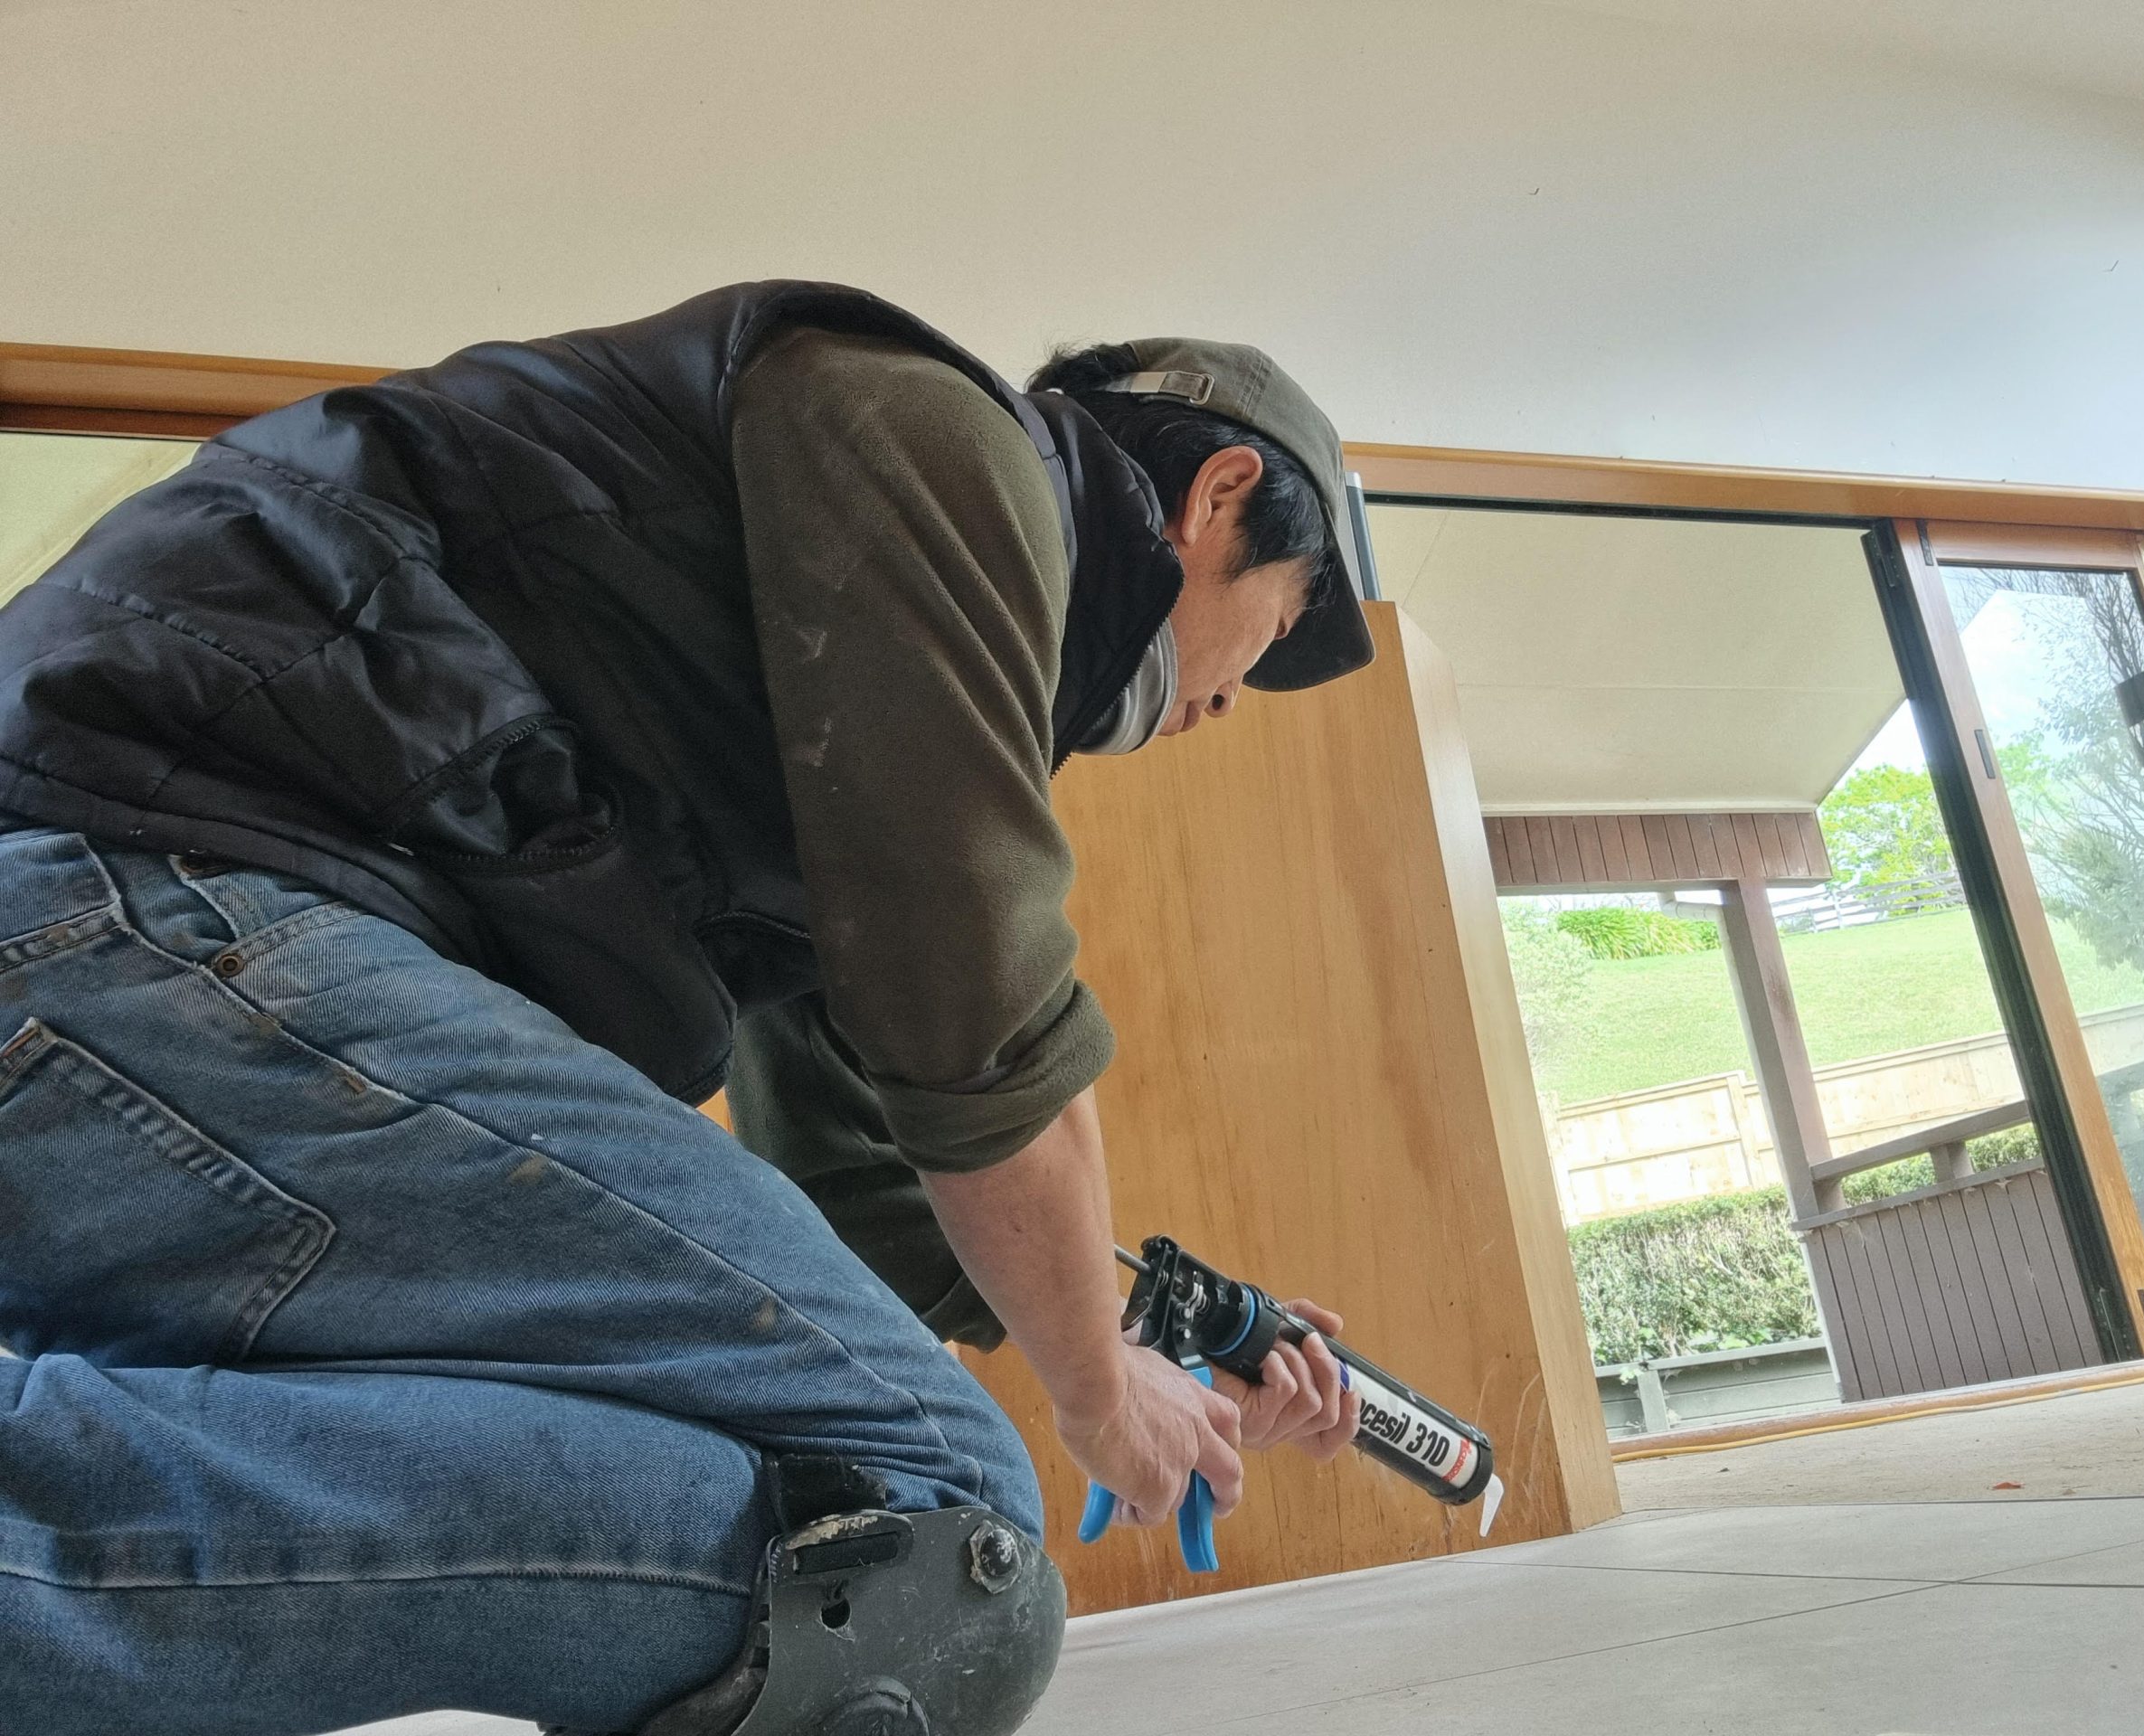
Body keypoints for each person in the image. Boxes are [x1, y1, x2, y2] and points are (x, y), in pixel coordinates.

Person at [0, 281, 1376, 1735]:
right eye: (1273, 632)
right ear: (1217, 498)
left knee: (862, 1506)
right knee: (926, 1534)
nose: (1229, 701)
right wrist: (1098, 1390)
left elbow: (857, 1156)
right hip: (152, 916)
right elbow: (972, 1011)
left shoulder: (834, 676)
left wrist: (1124, 1340)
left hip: (135, 968)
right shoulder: (940, 435)